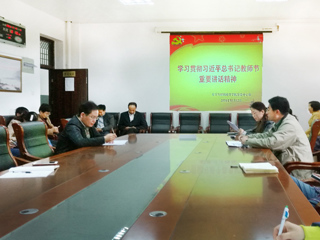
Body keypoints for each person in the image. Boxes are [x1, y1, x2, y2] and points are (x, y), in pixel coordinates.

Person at [239, 96, 313, 179]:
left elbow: (273, 142)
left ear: (277, 112)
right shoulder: (280, 122)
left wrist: (248, 140)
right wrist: (248, 136)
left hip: (296, 170)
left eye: (268, 109)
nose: (266, 112)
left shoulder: (289, 125)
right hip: (286, 161)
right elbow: (266, 135)